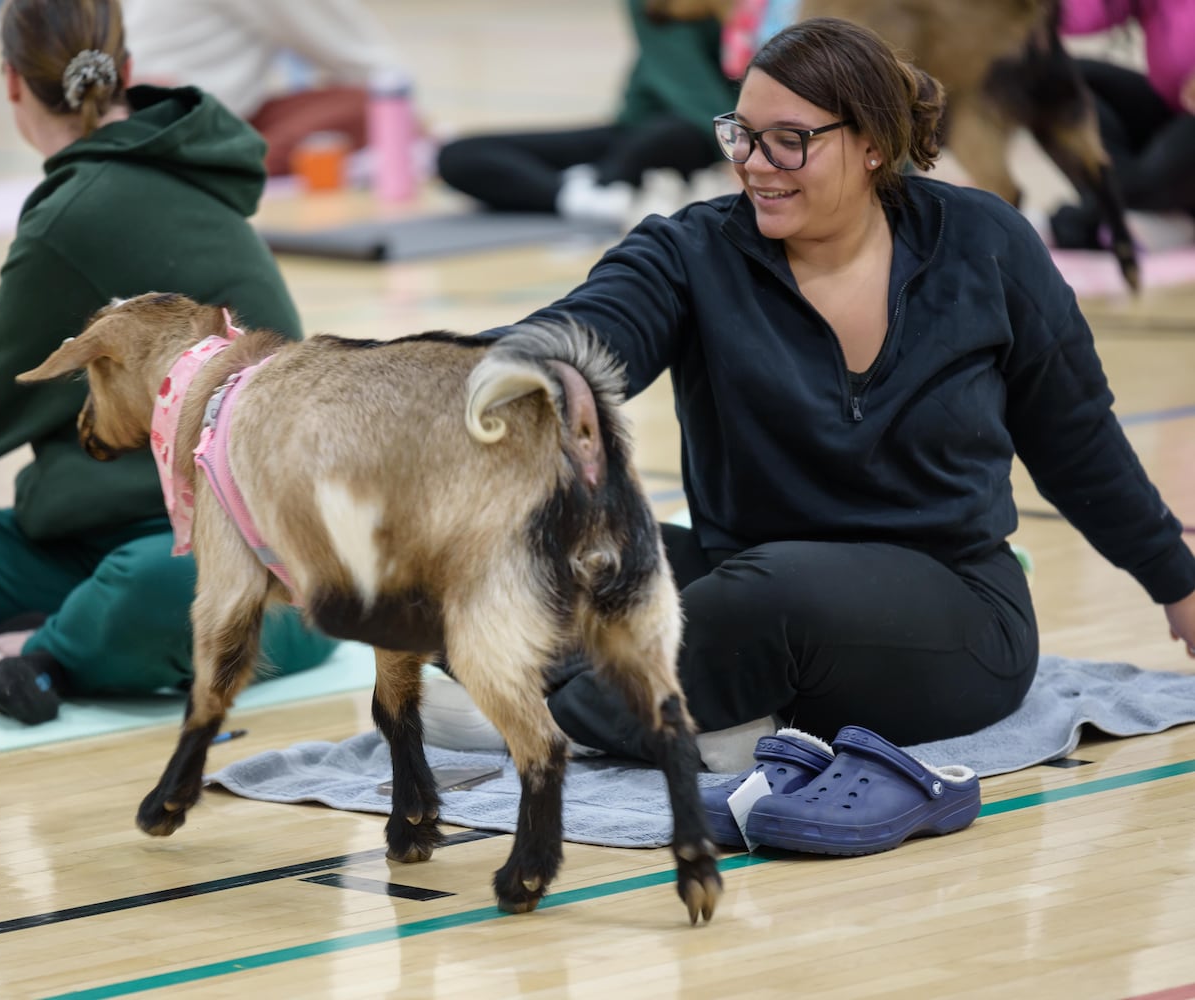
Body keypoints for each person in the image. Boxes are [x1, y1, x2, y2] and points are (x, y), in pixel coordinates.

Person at [436, 16, 1195, 767]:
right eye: (742, 134)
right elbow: (583, 333)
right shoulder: (691, 250)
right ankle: (725, 714)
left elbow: (1078, 441)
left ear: (871, 144)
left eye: (790, 140)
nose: (757, 164)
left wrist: (1178, 582)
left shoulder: (984, 243)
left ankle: (554, 715)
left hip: (952, 608)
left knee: (768, 598)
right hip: (746, 574)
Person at [0, 0, 337, 725]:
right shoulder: (185, 178)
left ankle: (5, 651)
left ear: (10, 82)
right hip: (121, 557)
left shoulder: (78, 215)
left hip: (242, 574)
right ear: (129, 72)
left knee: (156, 585)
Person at [434, 0, 737, 227]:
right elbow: (683, 80)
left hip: (710, 137)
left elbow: (701, 99)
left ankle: (594, 184)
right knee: (458, 155)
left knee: (674, 133)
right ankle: (585, 193)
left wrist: (737, 145)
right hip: (639, 134)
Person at [122, 0, 405, 178]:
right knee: (370, 104)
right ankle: (222, 169)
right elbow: (367, 62)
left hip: (134, 112)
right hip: (185, 121)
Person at [1051, 0, 1195, 250]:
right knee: (1052, 86)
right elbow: (1096, 8)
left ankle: (1093, 216)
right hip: (1173, 113)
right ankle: (1141, 213)